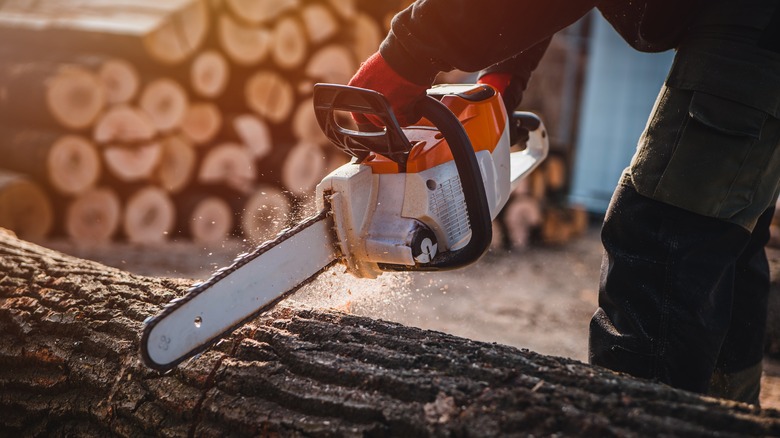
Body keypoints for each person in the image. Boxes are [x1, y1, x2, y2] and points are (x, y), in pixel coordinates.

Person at [347, 0, 780, 406]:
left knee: (659, 239)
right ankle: (727, 415)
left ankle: (641, 420)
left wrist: (407, 52)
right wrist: (504, 76)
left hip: (753, 28)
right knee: (725, 239)